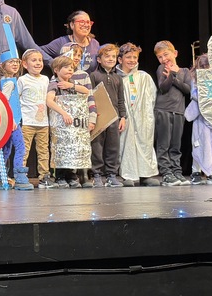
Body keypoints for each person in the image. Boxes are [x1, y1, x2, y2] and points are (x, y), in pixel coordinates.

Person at [46, 55, 95, 187]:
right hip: (61, 124)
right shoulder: (54, 84)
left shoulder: (72, 83)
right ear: (56, 70)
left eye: (72, 68)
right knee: (61, 149)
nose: (70, 70)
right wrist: (63, 113)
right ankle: (60, 176)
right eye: (66, 67)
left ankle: (71, 175)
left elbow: (86, 91)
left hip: (72, 125)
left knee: (72, 148)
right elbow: (49, 101)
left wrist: (71, 85)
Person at [116, 42, 160, 187]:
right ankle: (128, 174)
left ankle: (146, 174)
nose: (132, 60)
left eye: (135, 57)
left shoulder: (144, 77)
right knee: (126, 144)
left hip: (143, 118)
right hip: (125, 117)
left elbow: (152, 97)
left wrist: (146, 115)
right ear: (120, 59)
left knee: (144, 144)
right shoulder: (117, 78)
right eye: (128, 57)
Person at [154, 40, 192, 187]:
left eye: (166, 55)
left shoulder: (185, 71)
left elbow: (187, 89)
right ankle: (166, 173)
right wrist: (171, 75)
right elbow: (163, 87)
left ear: (175, 53)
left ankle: (177, 171)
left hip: (178, 111)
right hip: (163, 110)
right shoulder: (161, 68)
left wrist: (174, 76)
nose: (164, 59)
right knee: (164, 144)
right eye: (160, 57)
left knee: (175, 144)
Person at [88, 43, 127, 188]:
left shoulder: (118, 78)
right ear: (99, 59)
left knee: (113, 146)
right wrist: (93, 115)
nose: (111, 59)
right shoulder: (94, 76)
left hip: (114, 117)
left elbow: (121, 99)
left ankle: (111, 175)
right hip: (99, 117)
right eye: (107, 56)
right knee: (97, 146)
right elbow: (90, 97)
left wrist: (123, 117)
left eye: (113, 56)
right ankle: (96, 174)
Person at [185, 54, 212, 184]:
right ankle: (195, 172)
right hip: (202, 116)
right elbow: (194, 95)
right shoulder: (195, 78)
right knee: (199, 143)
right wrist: (206, 95)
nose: (206, 68)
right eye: (203, 66)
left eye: (208, 66)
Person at [0, 51, 34, 190]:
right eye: (11, 62)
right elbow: (3, 101)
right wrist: (11, 119)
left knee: (6, 149)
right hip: (11, 121)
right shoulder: (9, 82)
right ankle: (20, 178)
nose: (15, 64)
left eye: (17, 62)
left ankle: (0, 178)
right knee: (20, 147)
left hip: (9, 120)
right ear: (2, 65)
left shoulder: (3, 80)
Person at [18, 48, 52, 188]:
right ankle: (21, 175)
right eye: (34, 60)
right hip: (27, 121)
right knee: (24, 150)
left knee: (44, 150)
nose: (38, 63)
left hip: (43, 122)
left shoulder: (45, 79)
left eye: (40, 60)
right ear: (25, 64)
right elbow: (17, 98)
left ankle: (44, 176)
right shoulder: (22, 80)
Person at [40, 10, 100, 74]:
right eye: (82, 22)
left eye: (88, 22)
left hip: (88, 80)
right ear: (72, 25)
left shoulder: (95, 44)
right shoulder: (61, 42)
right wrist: (53, 63)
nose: (86, 25)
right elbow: (37, 51)